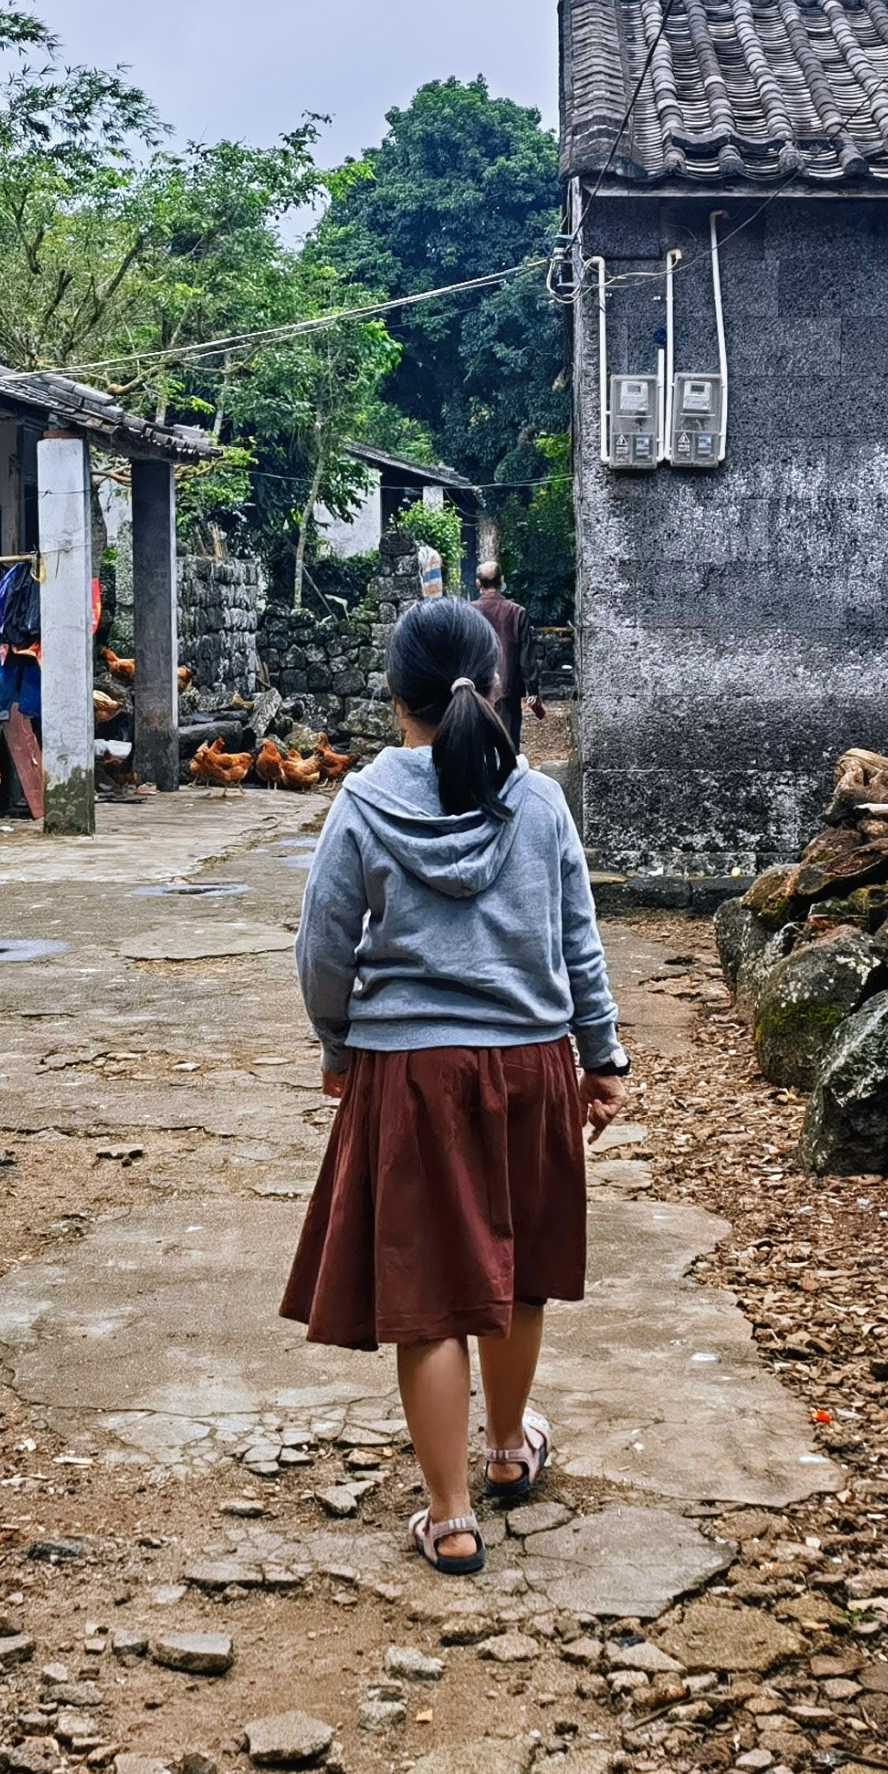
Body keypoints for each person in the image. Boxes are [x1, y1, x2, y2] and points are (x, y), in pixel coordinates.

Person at [282, 598, 624, 1573]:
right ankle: (509, 1451)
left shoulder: (364, 799)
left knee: (431, 1293)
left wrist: (339, 1042)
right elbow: (577, 940)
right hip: (530, 1063)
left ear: (394, 693)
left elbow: (322, 944)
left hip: (413, 1072)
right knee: (514, 1272)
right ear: (498, 686)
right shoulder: (541, 801)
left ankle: (449, 1515)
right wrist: (602, 1058)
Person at [472, 557, 530, 751]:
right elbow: (526, 656)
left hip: (477, 689)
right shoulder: (517, 612)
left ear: (478, 583)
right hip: (508, 689)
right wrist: (533, 690)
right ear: (502, 580)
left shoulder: (468, 612)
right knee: (510, 746)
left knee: (480, 744)